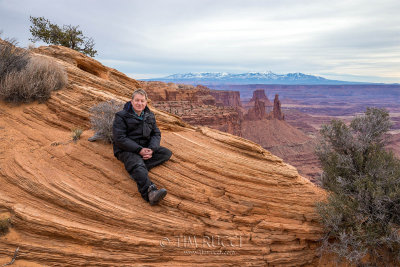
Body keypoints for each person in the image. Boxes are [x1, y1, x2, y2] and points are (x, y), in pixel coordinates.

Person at [112, 88, 172, 205]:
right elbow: (120, 139)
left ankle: (137, 169)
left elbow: (156, 133)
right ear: (131, 101)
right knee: (137, 163)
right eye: (137, 100)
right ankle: (150, 193)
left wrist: (152, 149)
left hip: (145, 148)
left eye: (142, 101)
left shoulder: (149, 115)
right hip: (126, 150)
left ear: (146, 102)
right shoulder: (121, 116)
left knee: (166, 153)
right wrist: (139, 150)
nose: (139, 103)